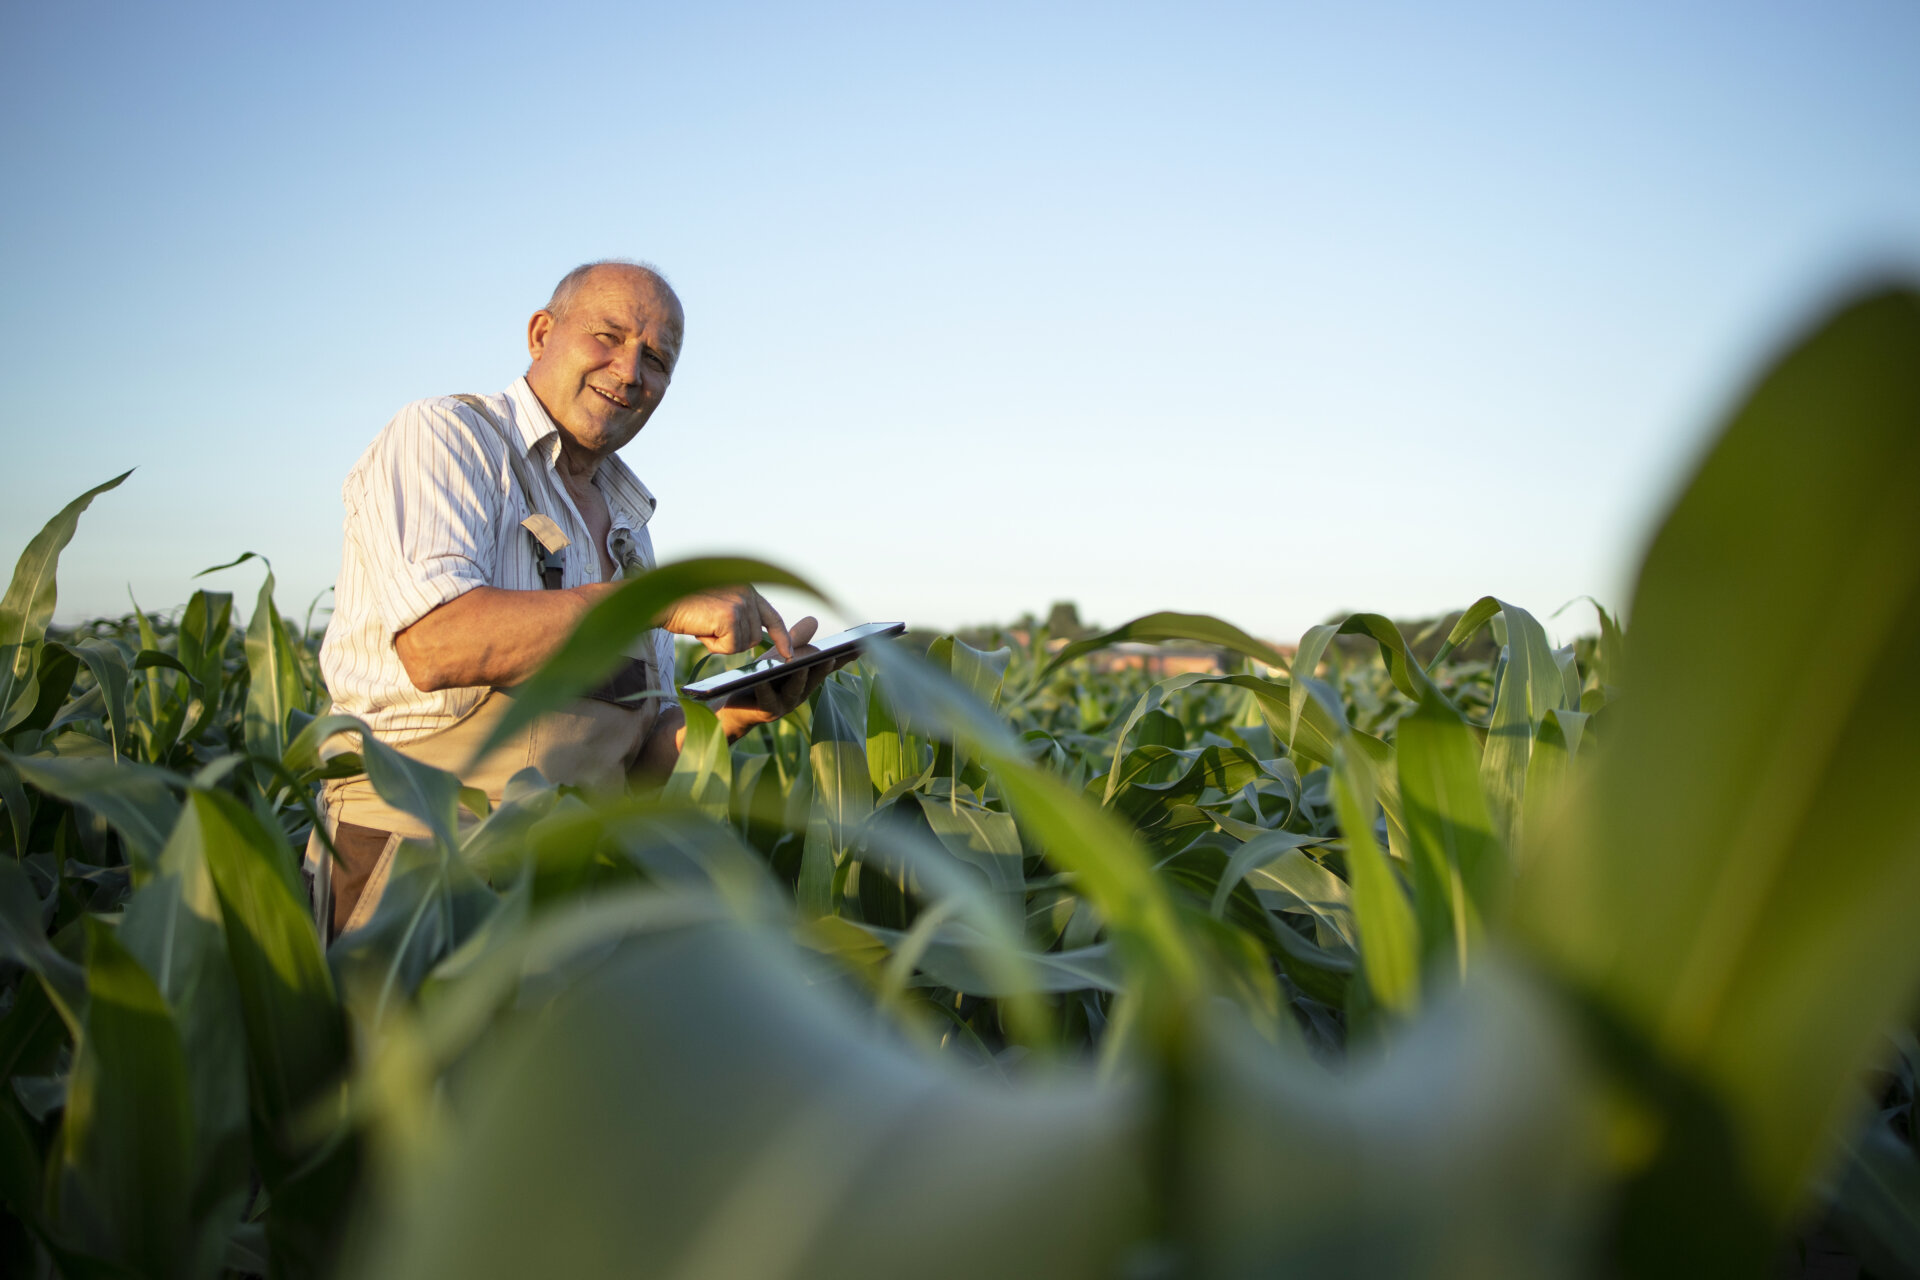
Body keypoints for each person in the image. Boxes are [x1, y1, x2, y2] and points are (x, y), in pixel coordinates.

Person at [312, 260, 833, 936]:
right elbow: (437, 642)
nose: (628, 371)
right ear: (540, 333)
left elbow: (633, 767)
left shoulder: (629, 524)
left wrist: (724, 720)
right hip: (428, 858)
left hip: (570, 880)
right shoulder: (448, 438)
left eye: (656, 360)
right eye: (607, 337)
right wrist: (655, 602)